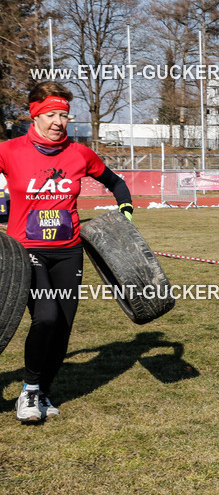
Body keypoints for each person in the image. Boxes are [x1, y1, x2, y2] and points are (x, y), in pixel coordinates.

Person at [0, 81, 134, 423]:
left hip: (69, 252)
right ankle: (28, 391)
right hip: (26, 251)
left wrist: (125, 209)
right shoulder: (10, 150)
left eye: (64, 114)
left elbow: (115, 182)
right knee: (45, 316)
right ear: (35, 115)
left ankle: (43, 392)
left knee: (62, 327)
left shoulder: (79, 154)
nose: (59, 121)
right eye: (52, 114)